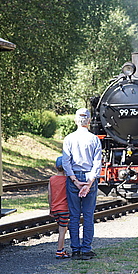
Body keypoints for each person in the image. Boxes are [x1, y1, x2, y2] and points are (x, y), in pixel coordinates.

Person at [62, 108, 102, 260]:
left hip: (74, 179)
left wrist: (75, 181)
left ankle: (75, 249)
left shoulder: (69, 139)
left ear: (75, 121)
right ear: (89, 121)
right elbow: (97, 163)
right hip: (89, 178)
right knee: (88, 215)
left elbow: (66, 162)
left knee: (73, 216)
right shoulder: (94, 139)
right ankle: (86, 249)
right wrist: (89, 183)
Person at [48, 156, 70, 259]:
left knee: (63, 228)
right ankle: (59, 251)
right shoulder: (67, 180)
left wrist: (51, 209)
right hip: (64, 209)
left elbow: (50, 195)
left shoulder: (52, 179)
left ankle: (62, 249)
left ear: (55, 167)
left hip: (55, 208)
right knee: (62, 230)